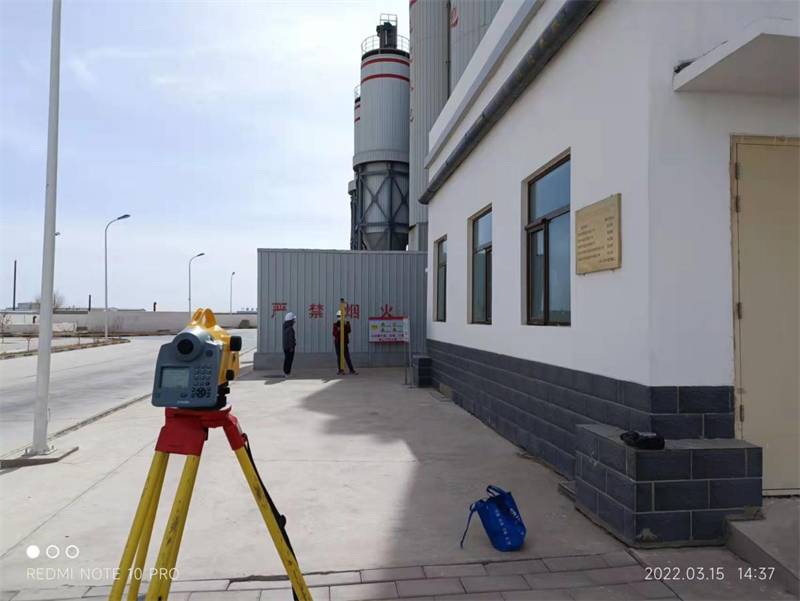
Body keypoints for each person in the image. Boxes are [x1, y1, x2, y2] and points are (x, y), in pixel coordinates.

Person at [333, 310, 357, 375]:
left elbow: (349, 331)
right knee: (339, 357)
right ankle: (340, 370)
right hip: (338, 343)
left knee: (347, 356)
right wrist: (338, 329)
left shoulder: (346, 323)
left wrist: (346, 325)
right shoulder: (335, 324)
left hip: (344, 343)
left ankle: (351, 369)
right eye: (338, 316)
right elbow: (334, 334)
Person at [282, 312, 296, 378]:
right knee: (289, 360)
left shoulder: (285, 327)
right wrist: (291, 347)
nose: (294, 321)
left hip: (285, 346)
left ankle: (285, 372)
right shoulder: (290, 329)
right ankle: (287, 373)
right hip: (289, 347)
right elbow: (291, 339)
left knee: (286, 359)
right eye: (293, 320)